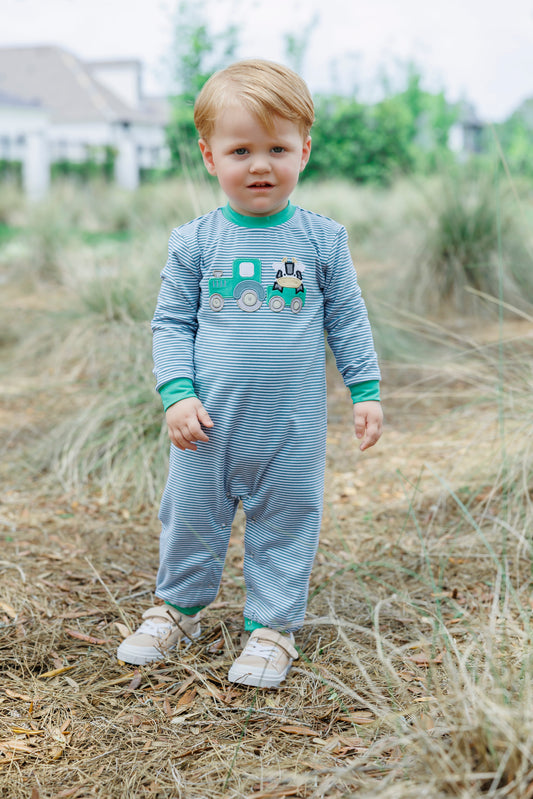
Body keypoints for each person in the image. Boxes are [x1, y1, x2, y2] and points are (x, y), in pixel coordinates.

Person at [117, 59, 383, 688]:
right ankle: (178, 611)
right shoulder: (196, 242)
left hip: (291, 423)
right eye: (241, 149)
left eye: (277, 148)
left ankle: (271, 629)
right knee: (190, 514)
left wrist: (365, 390)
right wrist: (175, 394)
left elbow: (347, 318)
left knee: (288, 516)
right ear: (210, 158)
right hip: (206, 421)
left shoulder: (323, 240)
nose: (260, 165)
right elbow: (171, 325)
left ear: (304, 151)